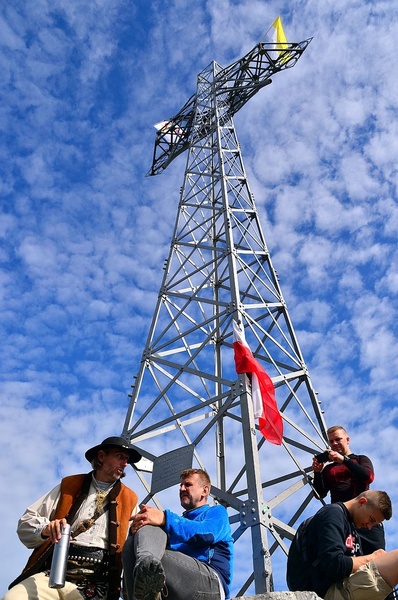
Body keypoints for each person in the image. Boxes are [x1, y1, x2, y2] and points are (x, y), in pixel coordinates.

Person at [5, 436, 141, 600]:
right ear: (101, 456)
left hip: (97, 585)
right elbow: (26, 522)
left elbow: (135, 544)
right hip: (52, 574)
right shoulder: (70, 485)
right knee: (13, 598)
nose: (125, 463)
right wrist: (46, 529)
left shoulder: (130, 498)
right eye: (120, 456)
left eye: (127, 459)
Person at [122, 468, 234, 600]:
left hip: (210, 586)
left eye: (188, 485)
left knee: (152, 540)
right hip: (178, 587)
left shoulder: (216, 512)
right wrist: (137, 531)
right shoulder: (175, 525)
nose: (181, 489)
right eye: (181, 485)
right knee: (132, 543)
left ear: (205, 490)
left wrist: (165, 518)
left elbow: (205, 535)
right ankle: (145, 577)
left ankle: (147, 567)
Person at [286, 489, 398, 600]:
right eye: (371, 519)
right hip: (326, 592)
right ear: (362, 502)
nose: (369, 527)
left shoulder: (352, 528)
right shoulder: (332, 514)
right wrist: (373, 557)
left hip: (341, 588)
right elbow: (334, 564)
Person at [312, 425, 385, 553]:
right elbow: (319, 494)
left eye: (338, 439)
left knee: (376, 560)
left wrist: (344, 460)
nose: (334, 444)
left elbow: (368, 476)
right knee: (345, 559)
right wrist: (318, 473)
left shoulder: (360, 459)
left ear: (347, 440)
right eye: (331, 441)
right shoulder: (328, 469)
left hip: (365, 519)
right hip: (343, 521)